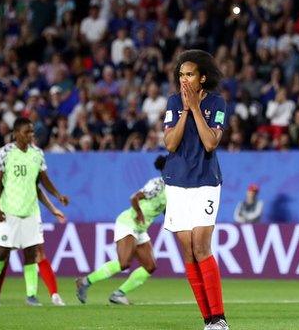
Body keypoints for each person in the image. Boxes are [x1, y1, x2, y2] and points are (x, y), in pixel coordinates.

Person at [163, 50, 229, 330]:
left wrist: (197, 110)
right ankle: (207, 320)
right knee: (188, 253)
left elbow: (210, 143)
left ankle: (219, 318)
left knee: (202, 247)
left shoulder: (217, 103)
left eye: (189, 74)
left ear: (202, 77)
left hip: (205, 182)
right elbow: (170, 144)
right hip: (176, 183)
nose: (184, 80)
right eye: (181, 75)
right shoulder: (173, 102)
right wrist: (185, 111)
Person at [0, 117, 69, 306]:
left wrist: (58, 196)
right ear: (16, 134)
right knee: (2, 251)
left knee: (31, 252)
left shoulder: (37, 154)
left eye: (32, 131)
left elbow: (42, 181)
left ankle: (31, 295)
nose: (31, 135)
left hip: (31, 211)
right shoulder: (5, 153)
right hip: (8, 210)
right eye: (27, 132)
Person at [75, 155, 167, 305]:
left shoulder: (173, 190)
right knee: (124, 263)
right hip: (128, 222)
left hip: (140, 229)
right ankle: (85, 281)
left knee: (150, 266)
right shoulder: (158, 184)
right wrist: (139, 213)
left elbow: (166, 210)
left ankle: (118, 294)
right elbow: (134, 198)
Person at [0, 184, 67, 306]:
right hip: (7, 212)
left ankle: (53, 295)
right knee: (3, 254)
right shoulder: (4, 164)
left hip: (30, 213)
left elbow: (36, 187)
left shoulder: (35, 164)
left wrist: (53, 209)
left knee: (38, 252)